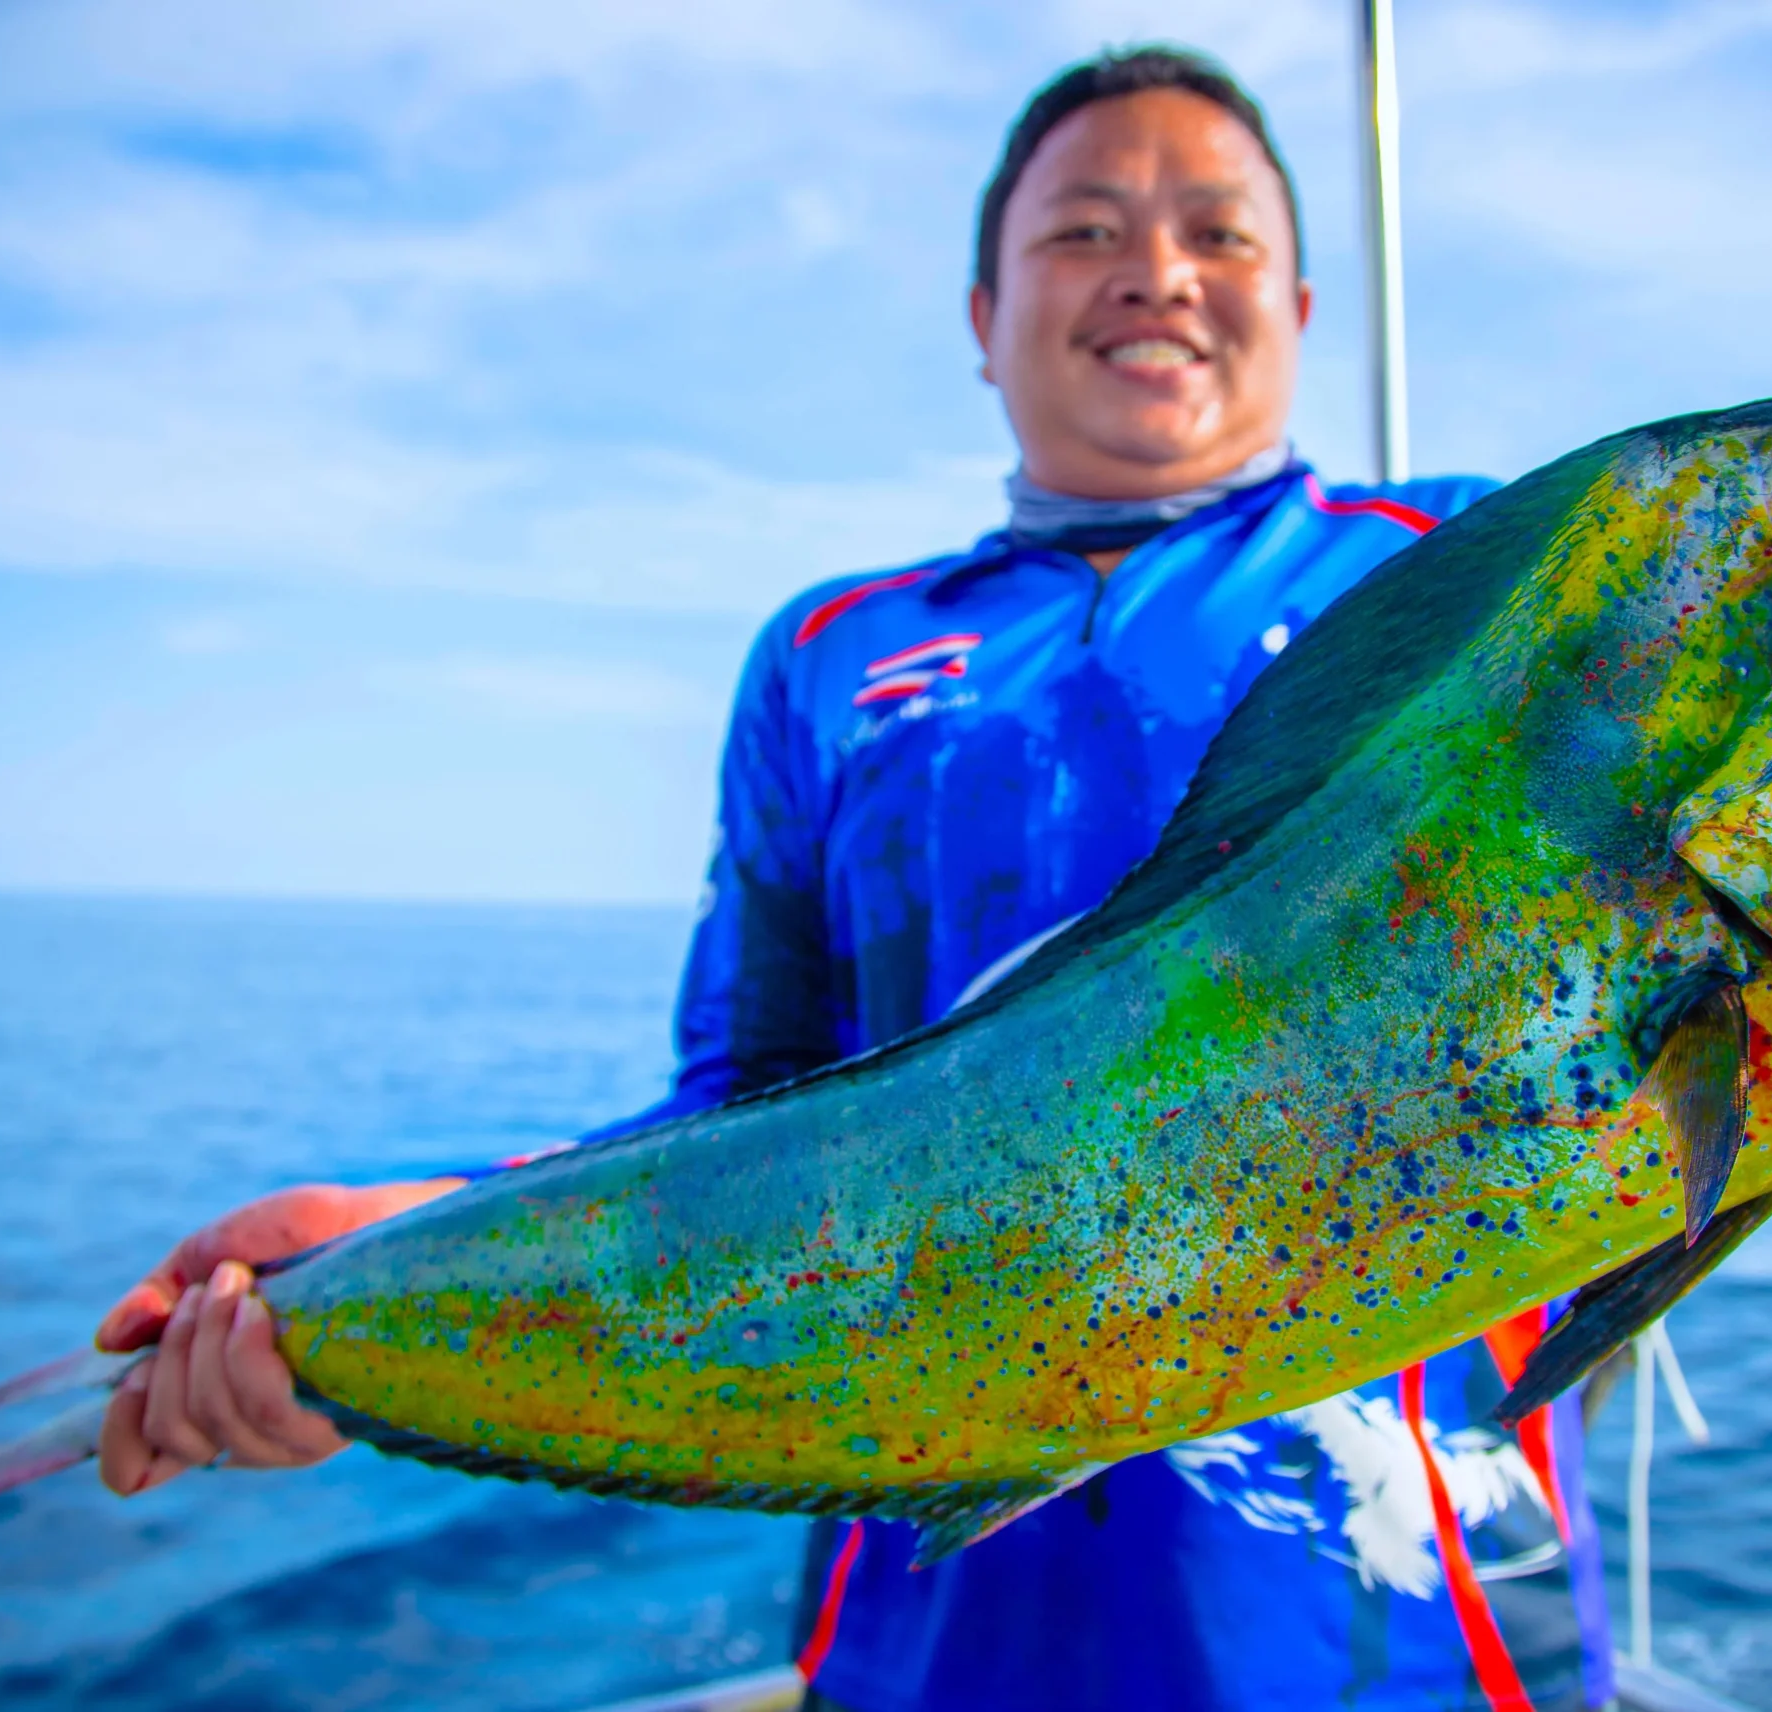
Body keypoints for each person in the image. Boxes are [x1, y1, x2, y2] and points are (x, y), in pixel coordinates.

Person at [94, 47, 1616, 1712]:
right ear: (982, 317)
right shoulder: (830, 652)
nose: (1158, 271)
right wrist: (407, 1251)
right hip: (923, 1647)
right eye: (1084, 230)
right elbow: (738, 1118)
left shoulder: (1469, 576)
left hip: (1418, 1653)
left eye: (1220, 234)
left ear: (1304, 309)